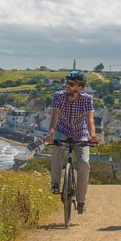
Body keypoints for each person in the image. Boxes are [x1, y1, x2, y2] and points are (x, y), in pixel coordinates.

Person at [44, 70, 99, 214]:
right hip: (62, 130)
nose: (67, 86)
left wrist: (92, 135)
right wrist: (50, 133)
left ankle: (81, 200)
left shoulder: (87, 99)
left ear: (79, 87)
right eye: (67, 83)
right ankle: (55, 183)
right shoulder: (59, 96)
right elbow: (54, 115)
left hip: (80, 133)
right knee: (57, 148)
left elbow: (90, 119)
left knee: (84, 164)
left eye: (71, 84)